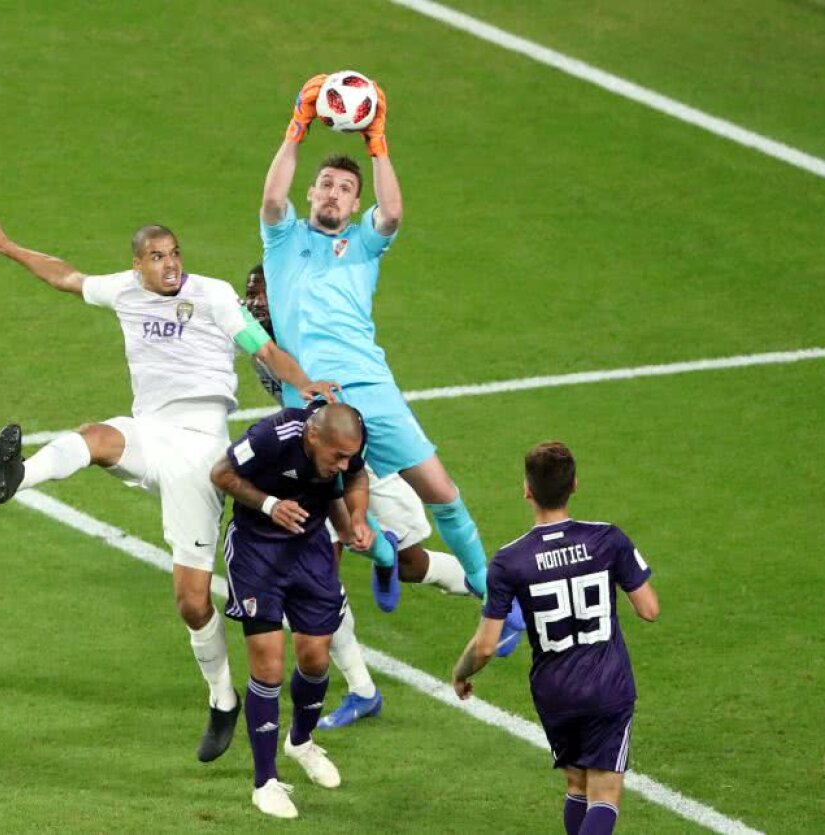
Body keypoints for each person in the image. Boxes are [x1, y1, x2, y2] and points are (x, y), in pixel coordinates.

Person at [0, 215, 338, 763]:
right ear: (137, 263)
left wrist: (301, 382)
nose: (171, 264)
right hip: (150, 430)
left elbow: (262, 348)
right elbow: (66, 278)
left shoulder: (213, 295)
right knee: (95, 437)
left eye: (175, 253)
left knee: (190, 603)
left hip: (198, 448)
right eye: (158, 257)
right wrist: (6, 246)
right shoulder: (122, 290)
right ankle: (16, 479)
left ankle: (222, 701)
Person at [258, 75, 524, 644]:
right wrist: (297, 127)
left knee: (442, 490)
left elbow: (395, 213)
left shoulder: (363, 245)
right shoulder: (283, 241)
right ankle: (382, 552)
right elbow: (272, 199)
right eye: (324, 184)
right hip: (311, 397)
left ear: (355, 205)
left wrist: (377, 142)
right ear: (312, 194)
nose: (331, 192)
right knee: (330, 510)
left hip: (371, 386)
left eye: (344, 189)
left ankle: (489, 597)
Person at [244, 264, 518, 730]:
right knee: (319, 575)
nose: (256, 304)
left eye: (263, 295)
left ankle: (500, 602)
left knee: (410, 565)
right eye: (251, 296)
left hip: (366, 452)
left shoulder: (312, 327)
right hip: (322, 464)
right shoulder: (257, 341)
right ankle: (361, 689)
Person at [452, 442, 659, 835]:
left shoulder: (509, 560)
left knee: (577, 785)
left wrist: (459, 673)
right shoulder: (608, 539)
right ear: (575, 485)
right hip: (607, 686)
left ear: (527, 490)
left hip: (554, 691)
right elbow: (649, 609)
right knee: (605, 793)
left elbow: (484, 646)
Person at [209, 402, 371, 819]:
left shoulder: (349, 443)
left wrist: (356, 518)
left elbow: (356, 478)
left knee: (316, 658)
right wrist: (269, 505)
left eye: (348, 454)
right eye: (336, 455)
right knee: (268, 666)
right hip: (256, 551)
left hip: (310, 547)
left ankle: (301, 741)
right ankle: (265, 782)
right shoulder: (271, 436)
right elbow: (221, 473)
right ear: (314, 437)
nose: (343, 463)